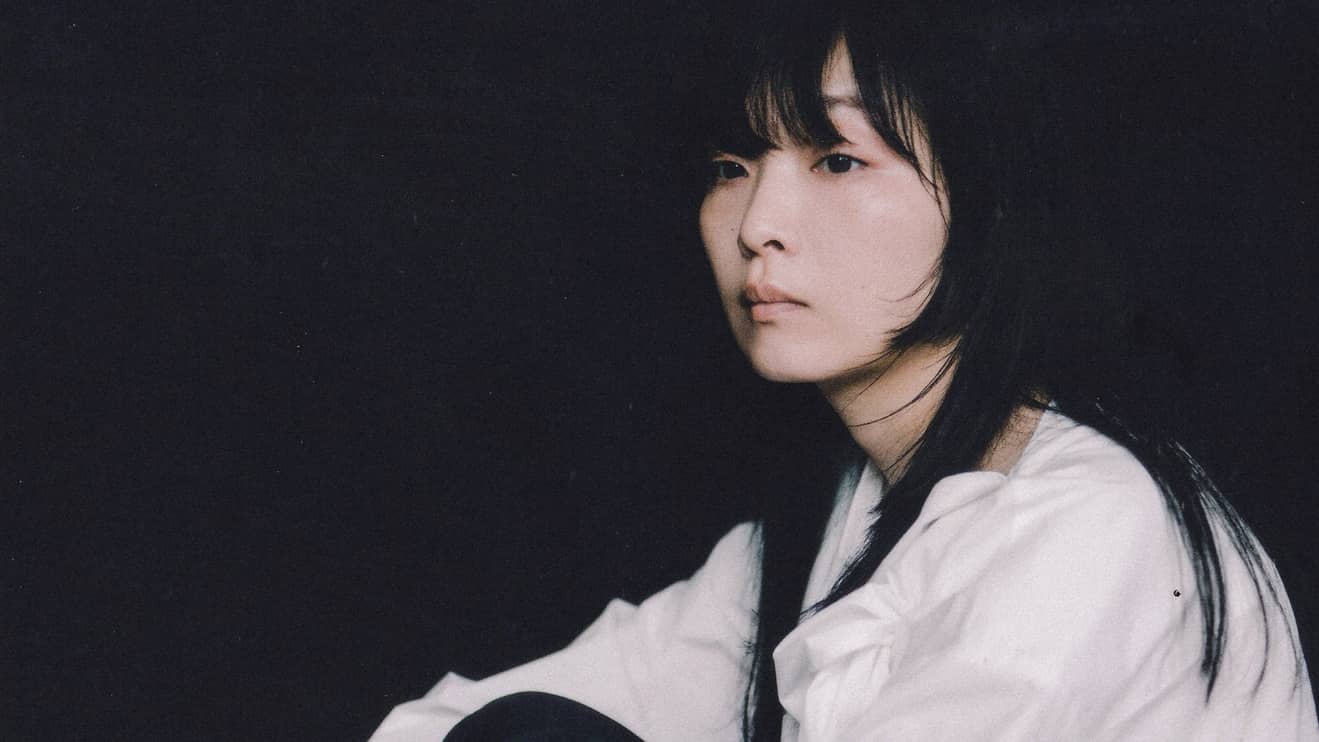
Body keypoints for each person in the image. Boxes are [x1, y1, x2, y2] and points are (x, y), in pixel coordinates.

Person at [371, 1, 1318, 740]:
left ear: (988, 203)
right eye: (731, 164)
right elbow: (452, 721)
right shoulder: (831, 520)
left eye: (835, 160)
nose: (756, 225)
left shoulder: (1082, 526)